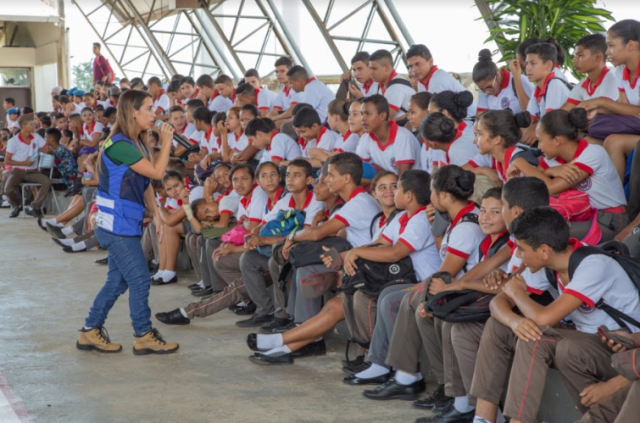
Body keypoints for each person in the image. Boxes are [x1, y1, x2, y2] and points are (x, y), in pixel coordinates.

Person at [499, 207, 640, 423]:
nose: (518, 255)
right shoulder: (550, 265)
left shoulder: (593, 265)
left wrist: (516, 293)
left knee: (554, 342)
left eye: (521, 249)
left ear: (544, 250)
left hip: (627, 347)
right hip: (596, 342)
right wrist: (514, 320)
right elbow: (498, 301)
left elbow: (545, 318)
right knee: (531, 337)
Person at [246, 170, 398, 364]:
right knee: (330, 303)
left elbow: (390, 252)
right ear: (374, 194)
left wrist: (293, 238)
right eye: (382, 188)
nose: (389, 192)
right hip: (367, 272)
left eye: (394, 186)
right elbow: (360, 243)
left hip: (382, 278)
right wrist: (344, 257)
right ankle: (283, 348)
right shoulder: (380, 219)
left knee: (326, 295)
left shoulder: (371, 207)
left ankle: (281, 342)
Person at [362, 165, 484, 404]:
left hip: (465, 293)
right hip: (453, 285)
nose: (430, 197)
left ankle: (409, 377)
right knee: (394, 295)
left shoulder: (467, 226)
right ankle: (403, 374)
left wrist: (415, 288)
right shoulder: (455, 217)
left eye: (433, 192)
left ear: (445, 196)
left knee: (405, 300)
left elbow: (445, 274)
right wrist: (437, 231)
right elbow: (445, 258)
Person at [77, 89, 179, 355]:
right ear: (133, 111)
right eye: (148, 108)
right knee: (140, 279)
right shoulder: (121, 144)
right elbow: (157, 173)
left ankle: (90, 331)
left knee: (117, 281)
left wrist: (156, 216)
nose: (154, 114)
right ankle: (143, 333)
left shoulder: (135, 142)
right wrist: (166, 141)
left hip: (124, 222)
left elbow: (145, 183)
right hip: (116, 224)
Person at [507, 108, 628, 241]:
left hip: (611, 220)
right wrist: (550, 171)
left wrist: (520, 162)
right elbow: (535, 182)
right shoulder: (553, 160)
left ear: (557, 140)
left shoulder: (592, 154)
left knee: (545, 233)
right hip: (584, 216)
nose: (539, 146)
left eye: (540, 140)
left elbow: (549, 187)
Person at [466, 110, 537, 184]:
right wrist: (482, 170)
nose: (475, 140)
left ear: (497, 139)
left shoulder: (518, 163)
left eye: (480, 133)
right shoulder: (498, 158)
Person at [407, 44, 477, 118]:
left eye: (418, 64)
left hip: (467, 122)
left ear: (430, 62)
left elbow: (436, 116)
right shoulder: (421, 82)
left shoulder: (438, 80)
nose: (413, 70)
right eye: (411, 66)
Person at [357, 94, 420, 174]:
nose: (363, 118)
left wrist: (377, 177)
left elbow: (403, 180)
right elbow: (357, 173)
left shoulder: (403, 137)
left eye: (368, 114)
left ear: (382, 116)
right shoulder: (366, 138)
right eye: (362, 114)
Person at [523, 42, 571, 144]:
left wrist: (534, 129)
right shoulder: (537, 87)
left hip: (564, 139)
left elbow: (550, 124)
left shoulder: (554, 84)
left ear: (548, 65)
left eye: (533, 63)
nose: (527, 68)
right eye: (526, 63)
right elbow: (531, 121)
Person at [3, 114, 50, 218]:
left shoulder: (36, 137)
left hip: (32, 171)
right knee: (8, 189)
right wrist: (24, 163)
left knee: (46, 181)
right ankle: (17, 205)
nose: (34, 126)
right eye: (31, 124)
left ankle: (34, 206)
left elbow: (45, 149)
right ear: (23, 126)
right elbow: (7, 160)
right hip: (18, 171)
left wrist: (39, 151)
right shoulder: (13, 141)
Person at [474, 49, 534, 114]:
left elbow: (533, 110)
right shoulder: (485, 92)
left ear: (498, 75)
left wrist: (517, 79)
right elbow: (480, 117)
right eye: (482, 89)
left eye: (489, 87)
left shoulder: (520, 81)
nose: (487, 92)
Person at [426, 90, 477, 167]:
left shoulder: (467, 138)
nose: (428, 117)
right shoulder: (444, 134)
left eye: (431, 113)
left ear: (444, 113)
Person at [369, 49, 414, 121]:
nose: (370, 73)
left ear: (387, 68)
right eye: (370, 69)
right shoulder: (380, 85)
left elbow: (383, 118)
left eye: (374, 69)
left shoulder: (396, 87)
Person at [408, 92, 445, 174]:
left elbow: (435, 172)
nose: (409, 117)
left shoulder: (437, 141)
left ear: (427, 112)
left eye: (412, 112)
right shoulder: (424, 140)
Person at [269, 56, 303, 126]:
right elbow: (275, 111)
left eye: (282, 71)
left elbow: (292, 111)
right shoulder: (282, 92)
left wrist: (275, 118)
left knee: (278, 124)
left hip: (301, 119)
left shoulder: (297, 88)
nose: (278, 74)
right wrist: (267, 119)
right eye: (276, 72)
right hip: (291, 118)